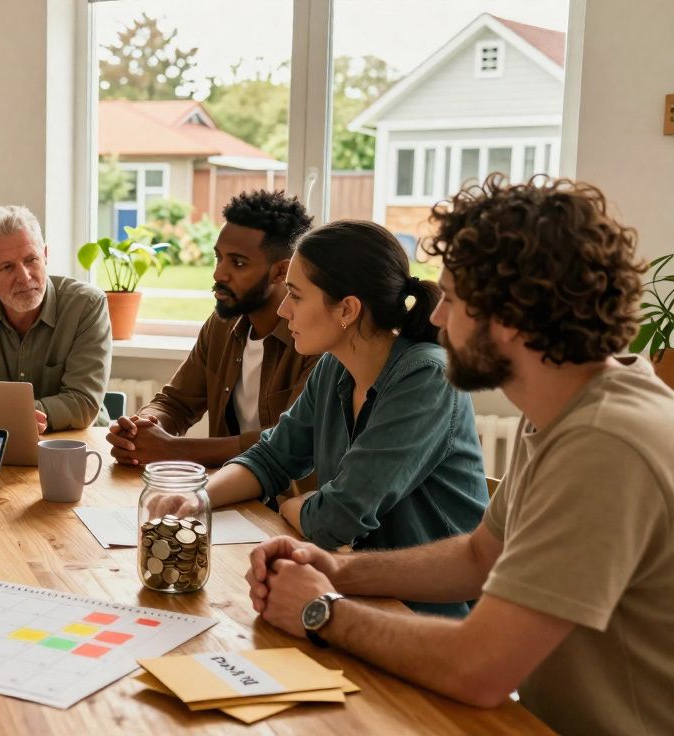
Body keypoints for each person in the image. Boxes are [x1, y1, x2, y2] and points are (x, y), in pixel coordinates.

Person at [246, 177, 674, 735]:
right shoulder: (563, 411)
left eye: (451, 299)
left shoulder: (604, 444)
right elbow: (480, 558)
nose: (438, 318)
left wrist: (321, 609)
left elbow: (480, 667)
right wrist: (337, 569)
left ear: (512, 315)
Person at [207, 219, 487, 617]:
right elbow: (271, 458)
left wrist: (291, 508)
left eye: (296, 296)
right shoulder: (334, 368)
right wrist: (195, 498)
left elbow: (338, 516)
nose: (284, 310)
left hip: (432, 614)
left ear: (347, 309)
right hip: (361, 591)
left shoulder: (426, 375)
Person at [107, 190, 319, 467]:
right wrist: (143, 428)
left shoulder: (315, 340)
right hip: (225, 493)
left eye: (238, 263)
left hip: (284, 505)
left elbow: (288, 441)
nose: (219, 274)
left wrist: (173, 449)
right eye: (218, 258)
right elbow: (176, 404)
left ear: (281, 272)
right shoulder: (222, 325)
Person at [0, 205, 112, 432]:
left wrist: (4, 416)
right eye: (7, 267)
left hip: (76, 440)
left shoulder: (87, 305)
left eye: (31, 259)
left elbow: (83, 403)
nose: (24, 277)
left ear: (45, 256)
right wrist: (9, 419)